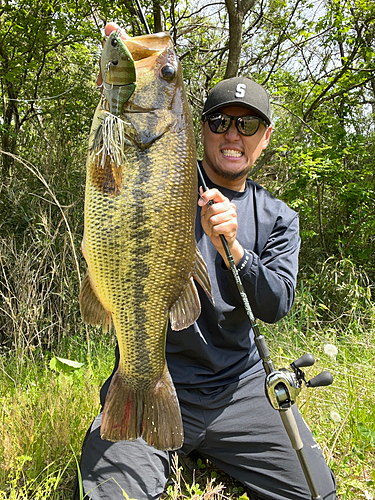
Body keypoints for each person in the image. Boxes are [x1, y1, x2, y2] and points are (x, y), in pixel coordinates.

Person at [75, 26, 337, 500]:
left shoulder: (278, 217)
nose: (232, 135)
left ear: (266, 136)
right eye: (219, 122)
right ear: (200, 128)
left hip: (240, 388)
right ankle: (159, 428)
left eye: (248, 124)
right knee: (110, 494)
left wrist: (235, 250)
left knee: (317, 493)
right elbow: (115, 160)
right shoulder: (169, 166)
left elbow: (277, 303)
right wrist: (115, 86)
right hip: (160, 372)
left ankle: (199, 447)